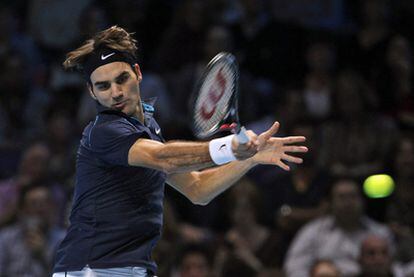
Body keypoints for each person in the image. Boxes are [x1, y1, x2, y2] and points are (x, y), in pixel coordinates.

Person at [52, 25, 308, 277]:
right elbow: (163, 158)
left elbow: (198, 189)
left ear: (137, 73)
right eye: (103, 86)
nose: (116, 93)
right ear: (92, 92)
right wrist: (230, 148)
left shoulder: (149, 130)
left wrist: (249, 159)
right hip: (90, 269)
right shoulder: (104, 131)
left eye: (122, 79)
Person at [284, 178, 393, 277]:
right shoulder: (312, 231)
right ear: (330, 203)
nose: (348, 203)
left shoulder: (380, 233)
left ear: (362, 200)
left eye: (353, 196)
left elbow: (394, 268)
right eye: (342, 197)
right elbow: (295, 267)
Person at [0, 183, 65, 277]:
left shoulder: (63, 239)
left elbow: (64, 274)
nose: (40, 209)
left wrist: (43, 253)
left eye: (45, 203)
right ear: (22, 210)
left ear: (53, 207)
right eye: (34, 203)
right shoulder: (6, 237)